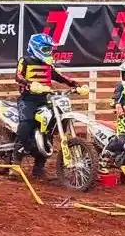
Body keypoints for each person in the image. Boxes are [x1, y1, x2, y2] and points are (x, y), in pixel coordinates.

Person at [13, 32, 88, 178]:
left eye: (50, 50)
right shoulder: (25, 60)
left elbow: (60, 77)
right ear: (36, 47)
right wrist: (29, 84)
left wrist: (76, 85)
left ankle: (39, 168)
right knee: (26, 123)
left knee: (49, 129)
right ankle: (15, 161)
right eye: (46, 49)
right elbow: (18, 76)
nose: (49, 52)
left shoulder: (48, 65)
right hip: (28, 99)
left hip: (45, 99)